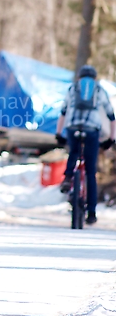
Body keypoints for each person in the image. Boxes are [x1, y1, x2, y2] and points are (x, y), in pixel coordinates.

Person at [55, 64, 116, 225]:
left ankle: (68, 178)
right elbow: (111, 115)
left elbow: (63, 112)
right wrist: (111, 137)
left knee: (73, 152)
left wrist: (58, 134)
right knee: (90, 172)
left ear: (80, 77)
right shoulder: (99, 90)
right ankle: (92, 212)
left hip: (72, 127)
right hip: (91, 130)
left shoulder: (73, 88)